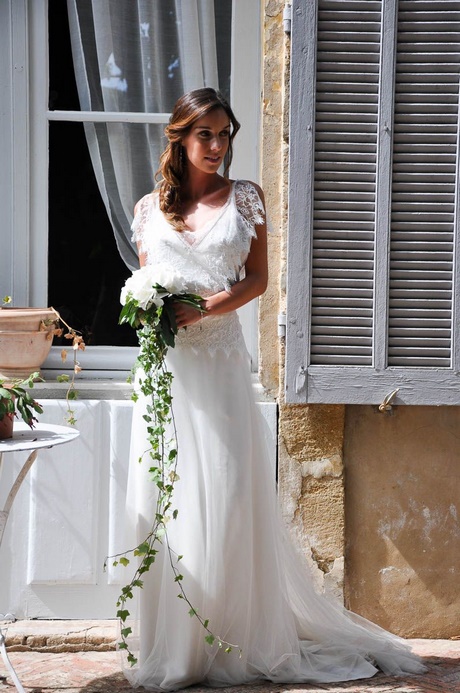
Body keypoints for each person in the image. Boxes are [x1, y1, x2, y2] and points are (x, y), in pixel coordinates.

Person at [123, 88, 425, 690]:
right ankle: (176, 646)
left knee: (230, 497)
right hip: (166, 376)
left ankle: (231, 641)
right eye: (204, 134)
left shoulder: (246, 199)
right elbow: (146, 286)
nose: (216, 145)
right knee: (168, 498)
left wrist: (204, 307)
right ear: (179, 138)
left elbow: (258, 280)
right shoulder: (147, 208)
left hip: (221, 367)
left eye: (224, 134)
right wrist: (153, 309)